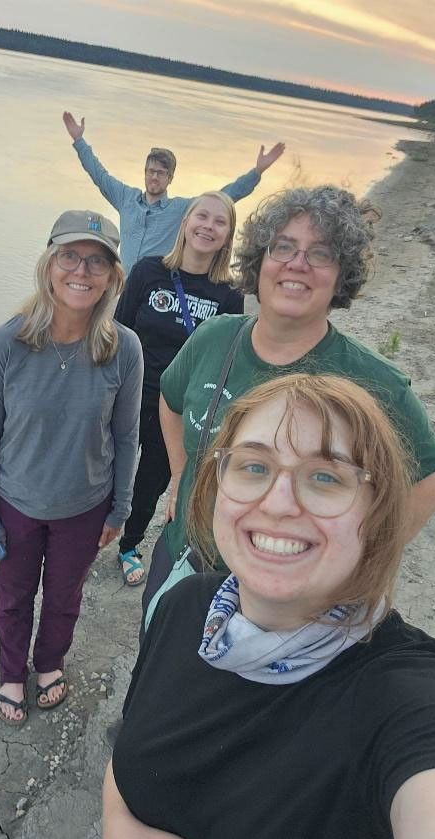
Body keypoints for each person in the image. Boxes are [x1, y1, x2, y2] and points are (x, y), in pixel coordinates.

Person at [104, 374, 435, 839]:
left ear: (377, 515)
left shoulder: (406, 701)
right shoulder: (187, 608)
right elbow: (136, 744)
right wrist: (119, 819)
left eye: (326, 477)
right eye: (254, 466)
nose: (277, 503)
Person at [143, 184, 435, 622]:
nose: (297, 264)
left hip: (282, 601)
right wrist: (179, 475)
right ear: (260, 261)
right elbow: (171, 401)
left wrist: (355, 565)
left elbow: (430, 485)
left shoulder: (371, 381)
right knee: (159, 657)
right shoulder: (214, 338)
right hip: (183, 560)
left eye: (320, 253)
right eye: (283, 247)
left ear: (341, 276)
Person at [0, 210, 143, 725]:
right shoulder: (7, 343)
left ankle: (49, 663)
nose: (81, 271)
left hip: (85, 508)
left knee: (65, 597)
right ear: (49, 264)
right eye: (70, 256)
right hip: (15, 505)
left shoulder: (124, 348)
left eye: (96, 262)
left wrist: (121, 507)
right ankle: (10, 671)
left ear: (111, 277)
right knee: (13, 598)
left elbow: (127, 436)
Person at [114, 191, 243, 585]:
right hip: (128, 396)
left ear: (227, 236)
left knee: (151, 482)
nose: (208, 226)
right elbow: (117, 332)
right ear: (185, 222)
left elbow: (224, 360)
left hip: (176, 407)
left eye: (219, 222)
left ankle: (129, 545)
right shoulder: (147, 272)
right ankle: (90, 537)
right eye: (202, 216)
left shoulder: (229, 295)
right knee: (106, 473)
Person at [62, 111, 285, 273]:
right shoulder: (126, 198)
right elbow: (99, 175)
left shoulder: (180, 209)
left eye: (161, 173)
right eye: (151, 171)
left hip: (154, 286)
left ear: (170, 178)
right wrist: (79, 141)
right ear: (144, 173)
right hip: (121, 284)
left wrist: (257, 172)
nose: (154, 177)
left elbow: (224, 196)